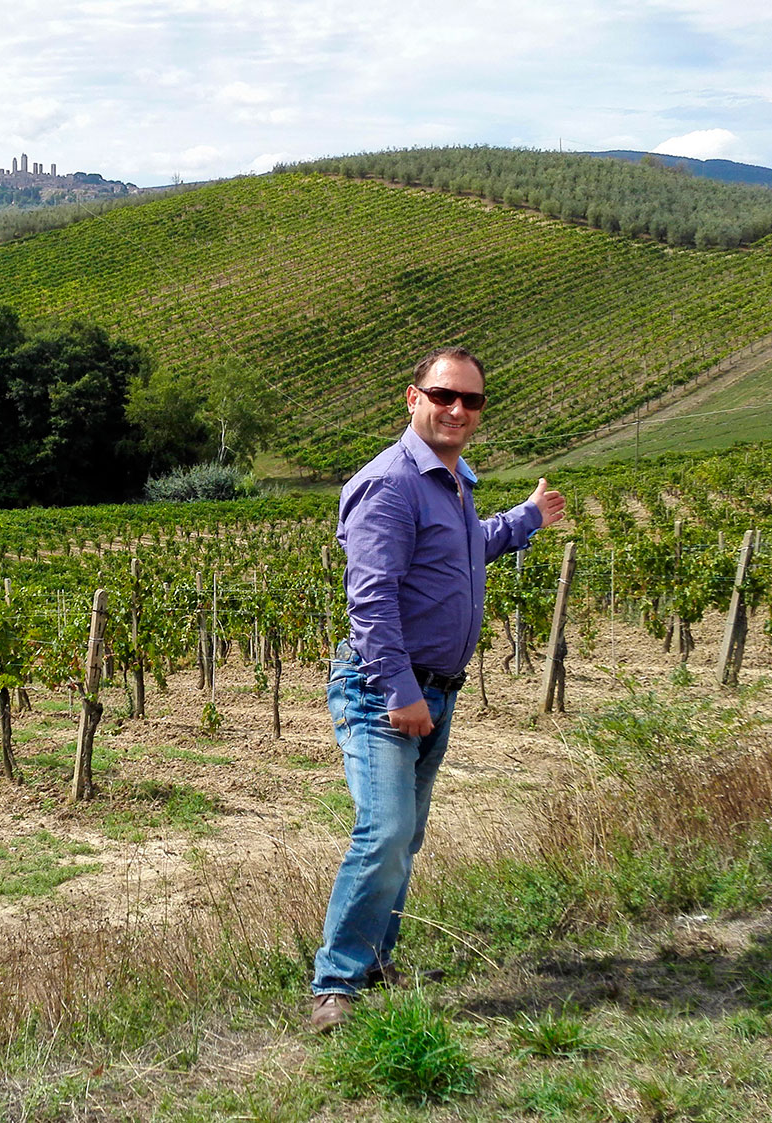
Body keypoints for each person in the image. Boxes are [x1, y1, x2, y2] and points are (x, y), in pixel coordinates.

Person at [309, 346, 565, 1032]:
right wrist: (400, 691)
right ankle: (335, 982)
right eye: (444, 395)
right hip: (383, 688)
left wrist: (528, 518)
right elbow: (371, 601)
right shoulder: (391, 483)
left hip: (437, 688)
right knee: (386, 829)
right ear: (412, 397)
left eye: (471, 400)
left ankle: (374, 961)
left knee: (406, 834)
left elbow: (462, 549)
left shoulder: (451, 481)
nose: (457, 409)